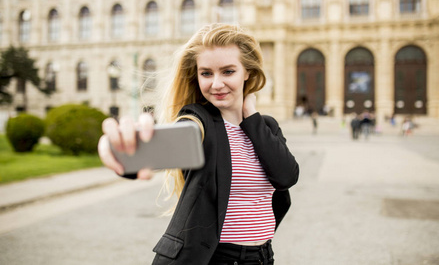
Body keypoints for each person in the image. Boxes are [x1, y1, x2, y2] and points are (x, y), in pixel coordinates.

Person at [98, 23, 300, 265]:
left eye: (227, 72)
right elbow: (165, 146)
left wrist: (252, 116)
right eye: (206, 73)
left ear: (247, 72)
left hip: (262, 257)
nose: (216, 84)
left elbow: (286, 176)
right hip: (213, 259)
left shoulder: (265, 126)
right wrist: (118, 149)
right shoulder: (198, 122)